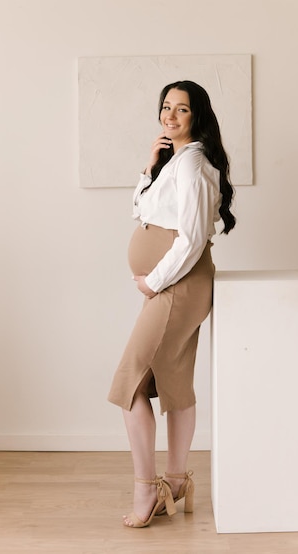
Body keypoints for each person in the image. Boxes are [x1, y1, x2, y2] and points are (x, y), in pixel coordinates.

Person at [108, 80, 236, 528]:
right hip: (176, 285)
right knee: (176, 384)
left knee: (131, 386)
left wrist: (154, 282)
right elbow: (141, 212)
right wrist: (150, 165)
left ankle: (148, 491)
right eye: (166, 107)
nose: (171, 115)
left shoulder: (194, 163)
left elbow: (192, 238)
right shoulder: (175, 162)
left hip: (177, 284)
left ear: (196, 116)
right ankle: (177, 482)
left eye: (181, 109)